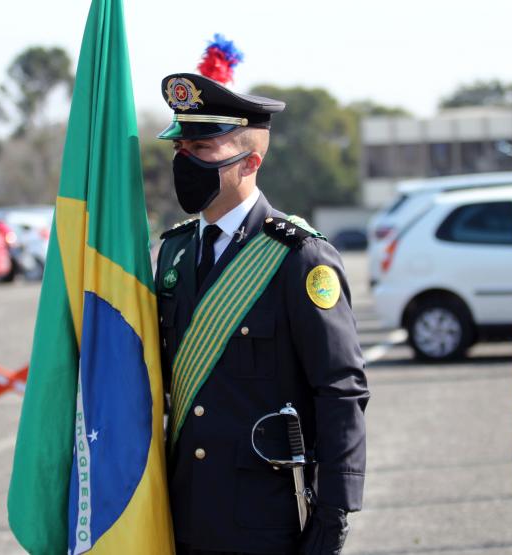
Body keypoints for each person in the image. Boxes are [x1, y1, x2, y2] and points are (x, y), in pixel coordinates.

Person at [154, 69, 369, 555]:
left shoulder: (298, 256)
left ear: (249, 162)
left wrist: (335, 510)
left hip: (264, 516)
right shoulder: (174, 252)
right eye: (180, 149)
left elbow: (340, 389)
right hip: (182, 511)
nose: (185, 160)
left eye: (202, 149)